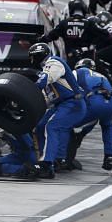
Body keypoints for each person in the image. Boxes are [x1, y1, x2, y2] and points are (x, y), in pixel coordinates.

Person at [29, 43, 86, 179]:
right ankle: (54, 159)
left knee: (52, 126)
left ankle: (48, 164)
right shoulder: (45, 68)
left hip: (73, 103)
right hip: (62, 104)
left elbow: (45, 79)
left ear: (38, 55)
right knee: (40, 126)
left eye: (32, 57)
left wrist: (31, 90)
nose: (31, 60)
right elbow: (47, 98)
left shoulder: (54, 62)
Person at [68, 58, 112, 171]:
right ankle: (109, 155)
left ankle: (64, 157)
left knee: (66, 124)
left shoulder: (78, 72)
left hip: (95, 101)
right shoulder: (101, 75)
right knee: (107, 125)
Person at [38, 0, 106, 65]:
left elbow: (50, 36)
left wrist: (39, 39)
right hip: (87, 61)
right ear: (84, 9)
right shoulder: (89, 23)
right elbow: (105, 35)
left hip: (71, 61)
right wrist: (93, 43)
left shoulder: (64, 23)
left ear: (70, 10)